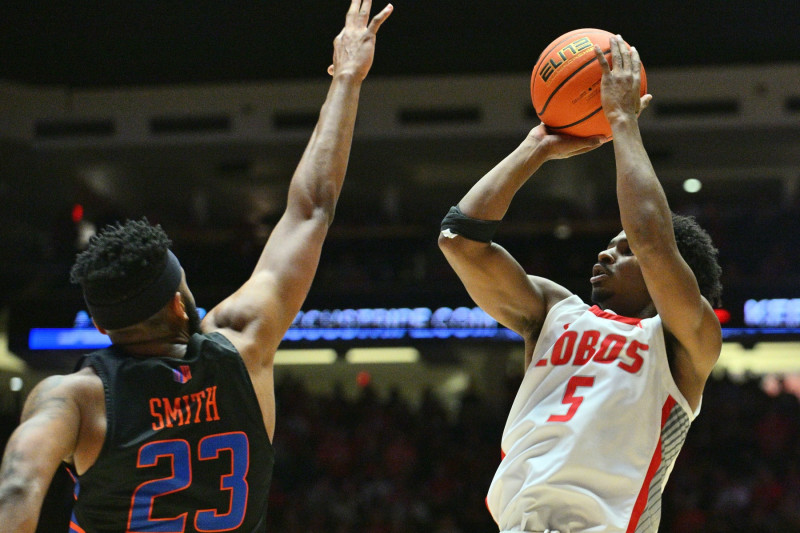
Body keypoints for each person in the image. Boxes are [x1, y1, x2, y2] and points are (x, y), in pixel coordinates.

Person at [0, 1, 392, 531]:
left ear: (99, 325)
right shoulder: (244, 343)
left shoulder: (77, 397)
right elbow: (311, 209)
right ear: (177, 301)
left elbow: (21, 483)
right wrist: (346, 78)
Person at [438, 36, 722, 533]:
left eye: (623, 248)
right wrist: (537, 147)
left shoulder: (685, 342)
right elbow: (459, 239)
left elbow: (654, 243)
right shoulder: (553, 310)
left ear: (672, 281)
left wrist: (622, 121)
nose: (606, 252)